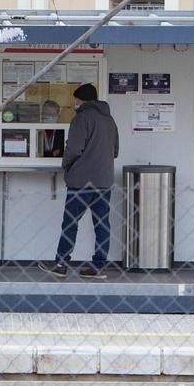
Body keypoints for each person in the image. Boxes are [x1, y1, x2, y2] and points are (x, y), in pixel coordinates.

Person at [41, 83, 119, 279]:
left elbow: (74, 149)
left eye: (76, 99)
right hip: (103, 181)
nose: (74, 102)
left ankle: (61, 263)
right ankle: (98, 265)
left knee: (70, 223)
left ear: (81, 100)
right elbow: (116, 151)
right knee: (102, 224)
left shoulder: (82, 118)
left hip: (81, 182)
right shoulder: (109, 120)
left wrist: (66, 165)